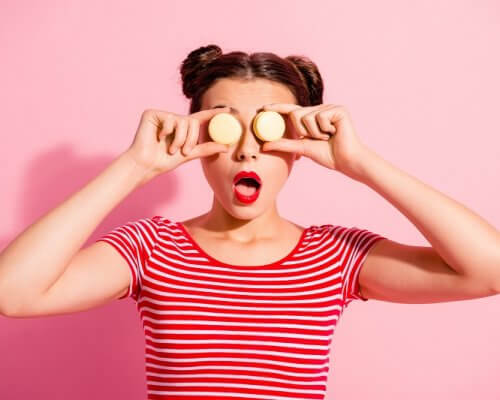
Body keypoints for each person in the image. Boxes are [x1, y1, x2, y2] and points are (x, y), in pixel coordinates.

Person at [1, 44, 499, 400]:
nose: (245, 148)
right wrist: (135, 166)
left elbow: (490, 270)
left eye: (269, 127)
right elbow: (12, 294)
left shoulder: (335, 256)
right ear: (195, 140)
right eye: (224, 125)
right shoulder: (149, 247)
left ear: (299, 146)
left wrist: (361, 164)